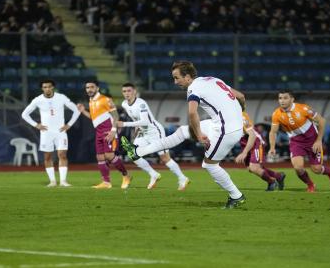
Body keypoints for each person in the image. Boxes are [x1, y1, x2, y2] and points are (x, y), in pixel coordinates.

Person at [121, 61, 246, 209]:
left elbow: (192, 112)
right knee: (182, 131)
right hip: (224, 124)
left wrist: (199, 134)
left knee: (209, 165)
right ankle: (138, 151)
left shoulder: (193, 88)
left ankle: (236, 196)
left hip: (227, 129)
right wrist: (240, 113)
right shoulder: (213, 79)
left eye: (176, 78)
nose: (175, 82)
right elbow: (241, 96)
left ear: (187, 77)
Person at [117, 83, 190, 190]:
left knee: (164, 158)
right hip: (143, 133)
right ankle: (153, 174)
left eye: (129, 91)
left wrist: (124, 124)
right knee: (132, 153)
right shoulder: (124, 104)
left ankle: (183, 178)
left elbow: (145, 121)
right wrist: (137, 129)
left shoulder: (141, 104)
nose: (127, 93)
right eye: (124, 91)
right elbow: (136, 119)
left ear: (134, 92)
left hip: (155, 132)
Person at [268, 90, 330, 192]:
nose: (282, 101)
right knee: (298, 168)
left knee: (316, 169)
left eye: (285, 98)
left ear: (292, 99)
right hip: (296, 142)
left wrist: (318, 141)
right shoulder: (276, 114)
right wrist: (272, 147)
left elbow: (322, 121)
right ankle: (310, 184)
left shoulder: (303, 108)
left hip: (312, 140)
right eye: (280, 98)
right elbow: (273, 132)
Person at [21, 79, 80, 187]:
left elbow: (76, 110)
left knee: (62, 155)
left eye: (49, 86)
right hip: (46, 132)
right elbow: (24, 114)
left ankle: (63, 181)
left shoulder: (61, 97)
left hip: (60, 131)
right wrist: (36, 125)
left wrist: (69, 125)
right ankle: (52, 181)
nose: (47, 89)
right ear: (42, 88)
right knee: (48, 157)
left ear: (53, 87)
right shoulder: (37, 100)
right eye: (45, 87)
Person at [77, 81, 131, 189]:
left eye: (92, 87)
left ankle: (126, 175)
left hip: (108, 130)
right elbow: (94, 118)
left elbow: (115, 115)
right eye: (87, 87)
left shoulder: (105, 99)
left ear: (97, 88)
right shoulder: (91, 101)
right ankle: (106, 182)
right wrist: (83, 111)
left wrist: (113, 131)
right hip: (99, 132)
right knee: (100, 157)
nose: (89, 89)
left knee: (109, 155)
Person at [235, 107, 286, 191]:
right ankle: (278, 176)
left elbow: (252, 135)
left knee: (254, 167)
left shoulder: (241, 116)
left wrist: (244, 152)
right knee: (251, 168)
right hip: (245, 143)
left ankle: (271, 182)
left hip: (255, 142)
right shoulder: (228, 117)